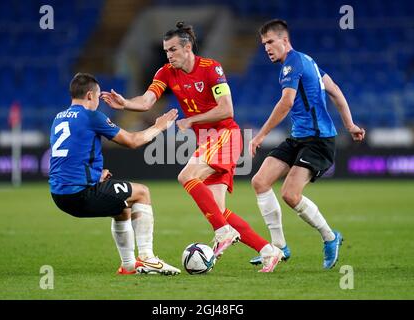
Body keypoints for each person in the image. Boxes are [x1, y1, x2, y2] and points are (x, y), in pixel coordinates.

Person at [101, 22, 283, 272]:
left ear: (187, 47)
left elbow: (227, 109)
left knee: (186, 175)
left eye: (173, 49)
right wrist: (126, 104)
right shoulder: (166, 72)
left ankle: (223, 233)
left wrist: (192, 120)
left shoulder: (211, 68)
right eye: (166, 51)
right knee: (219, 210)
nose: (169, 55)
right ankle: (268, 250)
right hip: (208, 140)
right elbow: (146, 101)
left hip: (225, 135)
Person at [249, 19, 366, 269]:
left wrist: (260, 135)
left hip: (318, 140)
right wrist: (350, 124)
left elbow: (286, 103)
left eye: (270, 42)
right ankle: (278, 248)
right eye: (264, 44)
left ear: (285, 40)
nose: (267, 48)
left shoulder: (293, 63)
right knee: (260, 182)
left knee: (290, 194)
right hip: (299, 137)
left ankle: (330, 237)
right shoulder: (307, 60)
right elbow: (334, 90)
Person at [49, 72, 181, 275]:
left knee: (121, 207)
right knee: (142, 192)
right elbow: (133, 141)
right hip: (79, 194)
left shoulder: (58, 119)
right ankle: (148, 257)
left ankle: (128, 265)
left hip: (59, 195)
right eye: (99, 96)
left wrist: (95, 175)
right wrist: (159, 127)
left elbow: (67, 159)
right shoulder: (91, 116)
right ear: (91, 96)